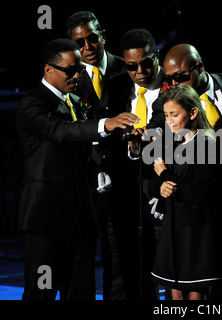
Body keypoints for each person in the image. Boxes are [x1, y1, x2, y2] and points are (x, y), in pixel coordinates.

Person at [15, 38, 138, 300]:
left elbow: (81, 143)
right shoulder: (33, 104)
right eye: (70, 70)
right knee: (42, 293)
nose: (77, 75)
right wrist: (105, 124)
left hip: (80, 218)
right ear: (49, 70)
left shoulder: (75, 100)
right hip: (45, 220)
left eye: (79, 69)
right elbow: (61, 132)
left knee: (81, 292)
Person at [100, 28, 165, 300]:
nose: (140, 71)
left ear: (156, 56)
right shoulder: (114, 86)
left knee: (174, 269)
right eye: (131, 66)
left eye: (146, 62)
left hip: (166, 187)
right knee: (132, 268)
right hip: (127, 192)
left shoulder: (174, 85)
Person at [148, 85, 222, 300]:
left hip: (198, 231)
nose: (169, 121)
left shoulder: (208, 145)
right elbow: (152, 183)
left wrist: (165, 174)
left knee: (196, 294)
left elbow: (199, 193)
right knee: (174, 292)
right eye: (166, 115)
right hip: (174, 226)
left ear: (193, 113)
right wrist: (160, 186)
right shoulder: (173, 144)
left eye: (174, 115)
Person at [66, 11, 126, 300]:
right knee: (82, 258)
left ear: (103, 35)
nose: (87, 47)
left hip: (126, 177)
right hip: (85, 182)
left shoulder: (128, 67)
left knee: (121, 258)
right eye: (80, 43)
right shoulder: (69, 78)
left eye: (92, 39)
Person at [154, 43, 222, 130]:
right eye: (169, 79)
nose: (174, 83)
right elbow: (156, 125)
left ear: (199, 67)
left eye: (179, 76)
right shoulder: (166, 100)